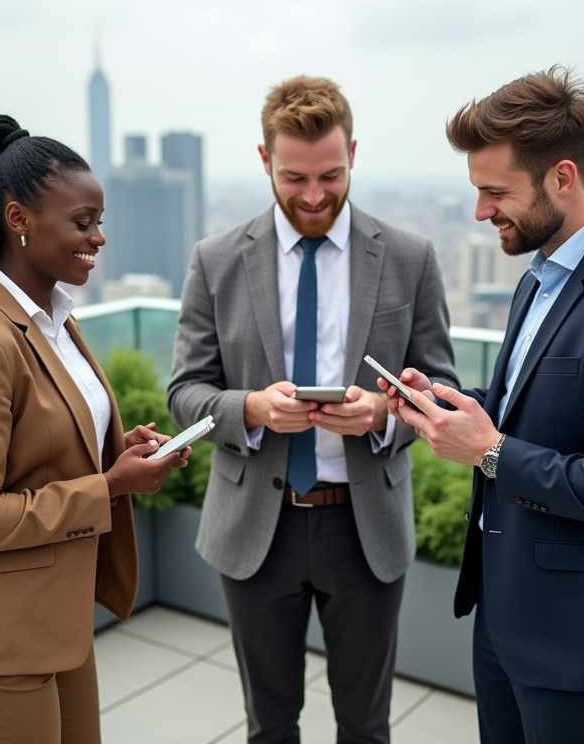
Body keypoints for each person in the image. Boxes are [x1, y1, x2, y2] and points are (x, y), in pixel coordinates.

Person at [384, 67, 584, 744]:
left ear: (562, 177)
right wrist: (441, 404)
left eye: (495, 192)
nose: (480, 212)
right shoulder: (540, 276)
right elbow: (521, 410)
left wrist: (491, 453)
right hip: (507, 608)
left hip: (578, 632)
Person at [168, 76, 456, 744]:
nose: (315, 196)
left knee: (366, 726)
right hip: (253, 533)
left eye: (332, 174)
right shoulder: (214, 261)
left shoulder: (411, 258)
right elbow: (185, 390)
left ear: (353, 152)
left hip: (365, 529)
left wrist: (384, 417)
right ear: (265, 160)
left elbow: (438, 386)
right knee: (269, 726)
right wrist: (254, 408)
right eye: (294, 177)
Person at [0, 115, 188, 744]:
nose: (99, 237)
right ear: (19, 219)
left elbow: (52, 448)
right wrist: (111, 486)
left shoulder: (53, 318)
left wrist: (121, 454)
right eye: (83, 223)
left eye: (99, 221)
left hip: (54, 621)